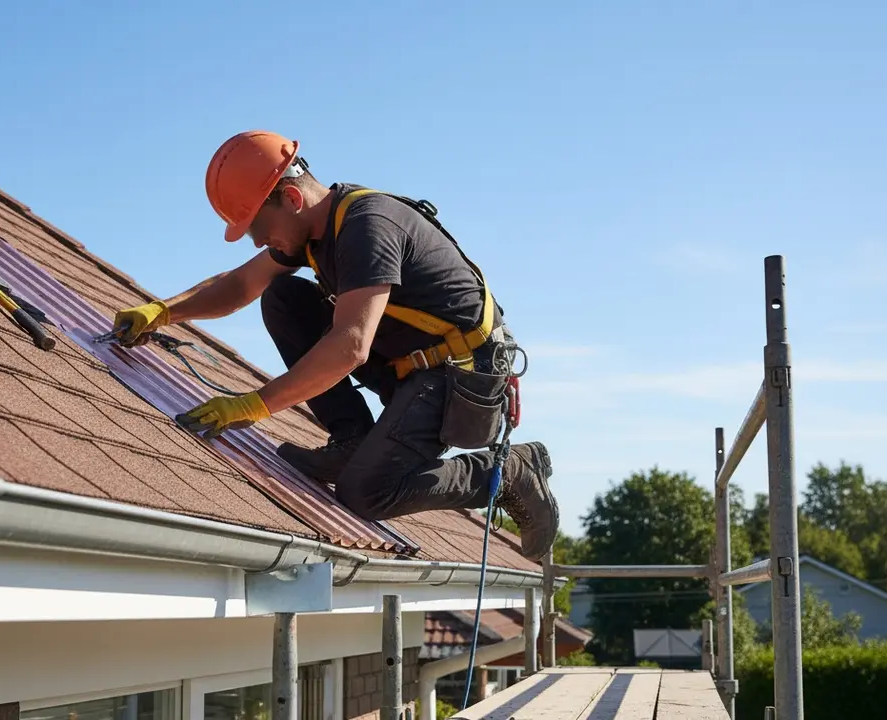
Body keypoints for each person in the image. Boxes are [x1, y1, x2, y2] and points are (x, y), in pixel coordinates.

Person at [109, 130, 558, 560]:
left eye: (259, 228)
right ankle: (352, 440)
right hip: (410, 364)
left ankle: (512, 471)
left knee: (367, 492)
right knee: (283, 298)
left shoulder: (366, 227)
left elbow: (350, 346)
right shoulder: (316, 232)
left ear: (291, 197)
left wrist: (253, 405)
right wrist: (163, 311)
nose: (260, 241)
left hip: (460, 374)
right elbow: (241, 283)